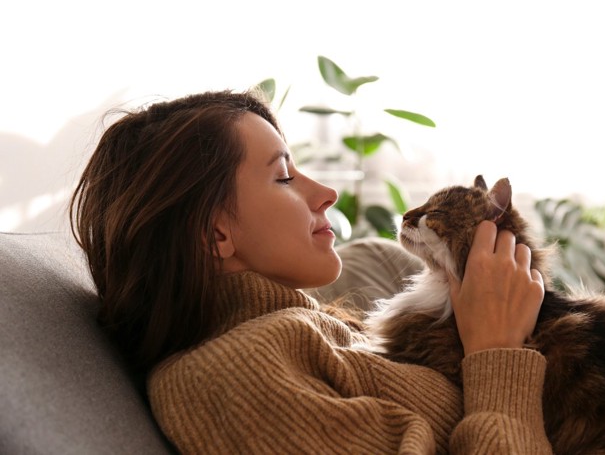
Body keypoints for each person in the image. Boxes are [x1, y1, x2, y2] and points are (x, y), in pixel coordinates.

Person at [70, 89, 550, 454]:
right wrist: (498, 355)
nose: (326, 192)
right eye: (284, 177)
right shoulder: (233, 377)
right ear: (215, 236)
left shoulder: (311, 331)